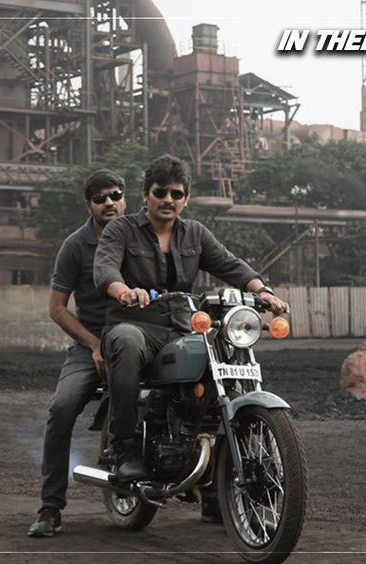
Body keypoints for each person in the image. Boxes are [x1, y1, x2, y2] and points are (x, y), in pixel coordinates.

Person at [93, 154, 288, 483]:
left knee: (221, 352)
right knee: (126, 342)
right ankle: (123, 447)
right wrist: (124, 291)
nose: (168, 199)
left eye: (177, 193)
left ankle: (214, 463)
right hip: (134, 325)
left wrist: (263, 291)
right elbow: (105, 269)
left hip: (182, 329)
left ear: (185, 198)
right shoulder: (121, 230)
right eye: (160, 192)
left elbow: (231, 265)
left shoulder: (195, 233)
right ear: (145, 195)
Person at [28, 170, 127, 538]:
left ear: (125, 199)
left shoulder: (141, 236)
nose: (109, 202)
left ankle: (213, 494)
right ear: (89, 205)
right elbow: (57, 309)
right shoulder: (74, 246)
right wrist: (94, 344)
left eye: (115, 195)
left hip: (141, 338)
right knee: (62, 407)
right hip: (92, 343)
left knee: (197, 391)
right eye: (100, 198)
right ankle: (50, 507)